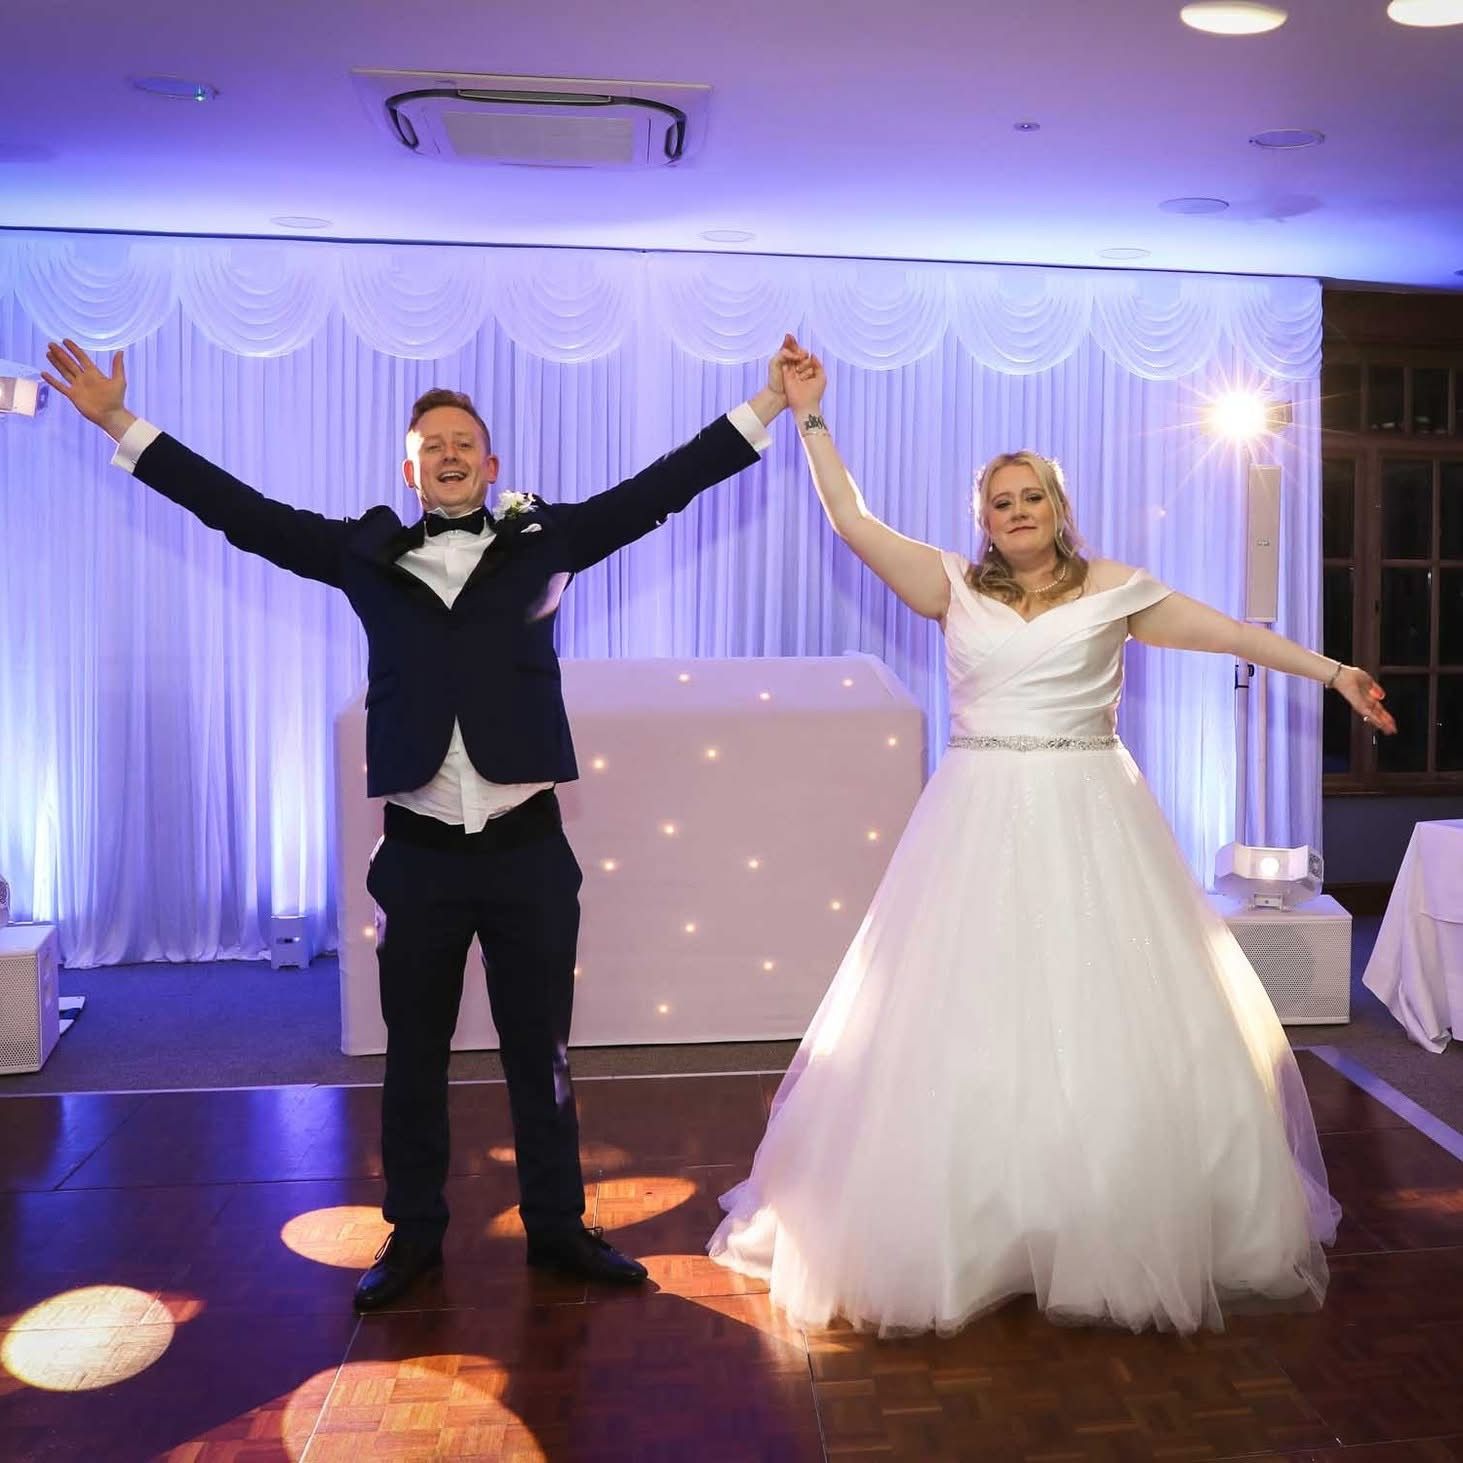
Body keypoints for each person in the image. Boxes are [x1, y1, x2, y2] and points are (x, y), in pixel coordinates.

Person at [43, 334, 805, 1311]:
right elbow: (240, 512)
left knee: (544, 1051)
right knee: (413, 1056)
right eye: (429, 442)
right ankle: (413, 1234)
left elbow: (662, 485)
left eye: (464, 441)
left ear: (490, 466)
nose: (447, 452)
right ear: (408, 469)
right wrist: (117, 420)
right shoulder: (363, 551)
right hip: (419, 854)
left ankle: (560, 1225)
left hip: (530, 847)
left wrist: (768, 402)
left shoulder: (547, 539)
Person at [708, 352, 1395, 1336]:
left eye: (1031, 496)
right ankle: (976, 1223)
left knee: (1093, 1012)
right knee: (965, 1016)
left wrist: (1331, 671)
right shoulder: (949, 585)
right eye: (999, 501)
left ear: (1059, 508)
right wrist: (810, 418)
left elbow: (1236, 636)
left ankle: (1101, 1218)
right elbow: (851, 521)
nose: (1016, 510)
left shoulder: (1114, 590)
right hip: (974, 815)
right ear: (980, 518)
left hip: (1089, 816)